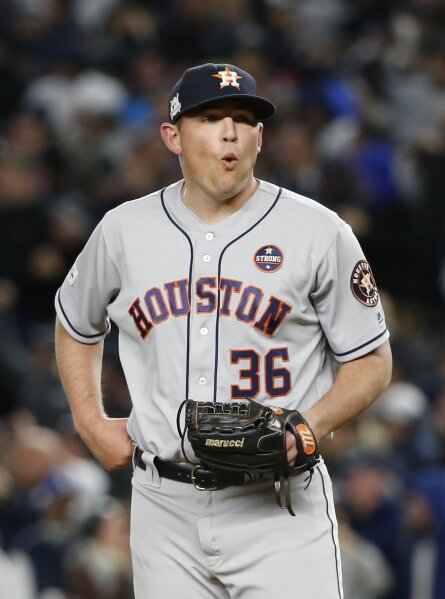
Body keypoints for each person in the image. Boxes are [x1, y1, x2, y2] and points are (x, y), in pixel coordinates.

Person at [54, 62, 392, 598]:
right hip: (163, 506)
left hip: (279, 508)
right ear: (173, 136)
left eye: (242, 118)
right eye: (210, 118)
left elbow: (372, 361)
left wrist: (309, 424)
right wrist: (90, 420)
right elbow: (75, 323)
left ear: (260, 135)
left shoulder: (319, 231)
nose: (229, 132)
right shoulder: (123, 230)